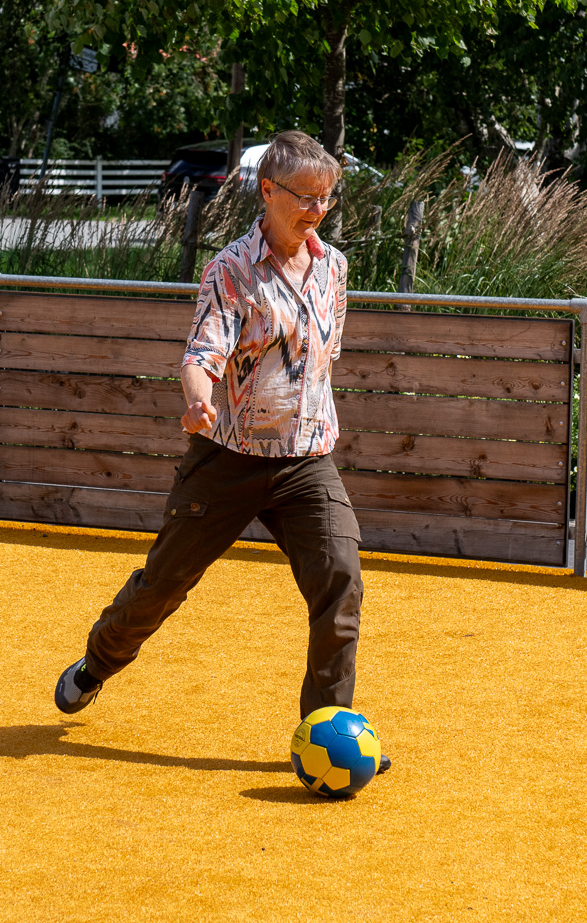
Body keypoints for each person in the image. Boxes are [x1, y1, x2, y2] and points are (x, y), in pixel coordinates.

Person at [54, 130, 390, 773]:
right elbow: (201, 355)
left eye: (327, 198)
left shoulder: (335, 269)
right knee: (164, 584)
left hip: (305, 459)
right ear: (268, 191)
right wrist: (199, 399)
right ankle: (99, 660)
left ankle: (331, 729)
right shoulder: (230, 270)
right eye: (305, 197)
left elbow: (322, 360)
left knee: (340, 581)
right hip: (226, 456)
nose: (318, 209)